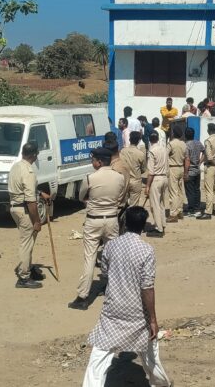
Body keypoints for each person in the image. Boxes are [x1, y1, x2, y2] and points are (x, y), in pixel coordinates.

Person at [81, 207, 171, 387]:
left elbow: (105, 273)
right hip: (137, 312)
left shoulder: (110, 246)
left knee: (99, 355)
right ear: (143, 226)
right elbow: (147, 287)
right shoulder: (146, 250)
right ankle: (161, 383)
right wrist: (153, 319)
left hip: (113, 309)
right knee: (150, 353)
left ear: (124, 223)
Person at [70, 147, 127, 311]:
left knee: (90, 258)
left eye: (93, 159)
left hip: (93, 220)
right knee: (113, 257)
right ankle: (114, 290)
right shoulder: (119, 177)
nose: (92, 162)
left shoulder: (90, 178)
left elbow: (81, 196)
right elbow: (120, 196)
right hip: (112, 219)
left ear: (99, 162)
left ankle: (82, 297)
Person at [9, 143, 45, 289]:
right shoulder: (28, 171)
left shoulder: (16, 166)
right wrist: (37, 221)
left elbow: (24, 189)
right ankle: (24, 277)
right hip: (24, 210)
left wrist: (40, 193)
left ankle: (28, 268)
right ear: (34, 155)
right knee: (27, 243)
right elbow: (30, 201)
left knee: (28, 241)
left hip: (15, 207)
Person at [144, 131, 169, 235]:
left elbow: (151, 172)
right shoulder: (164, 149)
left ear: (149, 140)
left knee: (155, 205)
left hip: (156, 179)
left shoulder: (151, 151)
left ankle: (158, 228)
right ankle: (162, 224)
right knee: (161, 203)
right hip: (164, 178)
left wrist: (147, 186)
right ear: (158, 138)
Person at [198, 123, 215, 220]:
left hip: (210, 166)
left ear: (209, 130)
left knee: (209, 190)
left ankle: (208, 212)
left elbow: (208, 157)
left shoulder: (208, 141)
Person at [118, 131, 147, 208]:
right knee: (134, 205)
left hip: (124, 180)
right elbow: (143, 169)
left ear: (129, 139)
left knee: (123, 203)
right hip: (135, 181)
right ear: (138, 141)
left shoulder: (123, 151)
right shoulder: (140, 154)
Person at [165, 127, 187, 223]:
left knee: (173, 192)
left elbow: (165, 155)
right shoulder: (183, 144)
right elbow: (186, 157)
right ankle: (180, 211)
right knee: (180, 191)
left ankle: (173, 214)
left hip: (173, 168)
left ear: (173, 134)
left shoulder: (171, 144)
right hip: (181, 167)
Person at [183, 127, 204, 217]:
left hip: (190, 171)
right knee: (196, 190)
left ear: (185, 135)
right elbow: (205, 152)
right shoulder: (198, 143)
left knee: (190, 191)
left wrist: (185, 173)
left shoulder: (186, 145)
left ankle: (191, 209)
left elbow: (187, 159)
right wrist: (200, 162)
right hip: (197, 170)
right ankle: (197, 208)